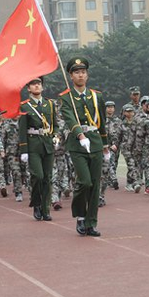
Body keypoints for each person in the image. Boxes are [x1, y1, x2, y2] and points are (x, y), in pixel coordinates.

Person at [59, 57, 109, 236]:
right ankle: (80, 215)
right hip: (77, 144)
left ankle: (91, 222)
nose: (80, 75)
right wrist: (80, 135)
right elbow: (69, 118)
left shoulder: (97, 96)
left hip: (95, 140)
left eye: (83, 72)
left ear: (87, 75)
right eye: (76, 72)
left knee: (95, 184)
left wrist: (105, 144)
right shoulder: (66, 98)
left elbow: (102, 121)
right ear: (71, 76)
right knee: (84, 181)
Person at [19, 77, 58, 221]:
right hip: (33, 144)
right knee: (38, 176)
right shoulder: (25, 106)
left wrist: (56, 136)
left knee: (48, 178)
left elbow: (55, 124)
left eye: (39, 84)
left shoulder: (50, 104)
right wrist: (24, 150)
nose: (37, 86)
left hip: (48, 143)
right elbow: (22, 129)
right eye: (33, 84)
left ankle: (45, 208)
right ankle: (36, 203)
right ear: (28, 88)